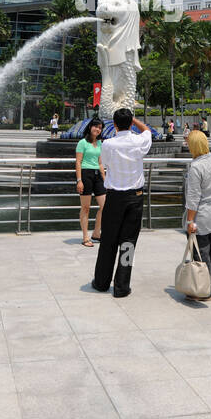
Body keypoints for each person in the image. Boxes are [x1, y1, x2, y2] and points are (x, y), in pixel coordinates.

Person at [91, 108, 152, 297]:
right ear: (131, 123)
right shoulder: (139, 141)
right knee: (128, 242)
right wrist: (135, 121)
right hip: (135, 197)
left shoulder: (108, 144)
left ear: (115, 124)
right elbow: (147, 130)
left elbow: (106, 164)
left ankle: (101, 282)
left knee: (108, 240)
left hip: (114, 197)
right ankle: (121, 286)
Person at [183, 130, 211, 299]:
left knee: (201, 254)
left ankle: (203, 290)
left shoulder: (195, 167)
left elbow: (193, 198)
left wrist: (190, 220)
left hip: (200, 217)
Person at [75, 119, 107, 247]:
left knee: (104, 206)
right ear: (90, 127)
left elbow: (100, 163)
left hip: (97, 175)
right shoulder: (82, 143)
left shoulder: (100, 143)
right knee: (86, 208)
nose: (97, 129)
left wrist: (105, 180)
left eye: (100, 128)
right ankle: (85, 237)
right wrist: (79, 180)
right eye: (95, 126)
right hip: (85, 174)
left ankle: (96, 233)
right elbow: (78, 162)